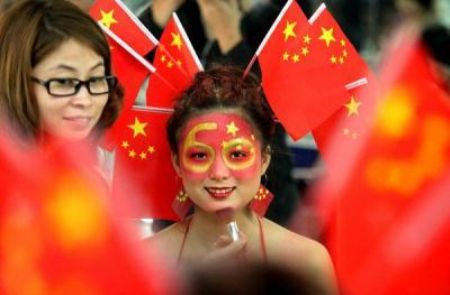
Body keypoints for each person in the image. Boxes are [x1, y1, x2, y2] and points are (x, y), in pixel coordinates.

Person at [146, 66, 336, 294]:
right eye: (199, 155)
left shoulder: (306, 261)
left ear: (264, 159)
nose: (218, 172)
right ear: (177, 162)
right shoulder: (144, 261)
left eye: (237, 154)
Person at [140, 0, 305, 227]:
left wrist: (230, 36)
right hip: (182, 198)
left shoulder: (269, 20)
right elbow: (124, 65)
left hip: (264, 198)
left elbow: (268, 107)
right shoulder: (180, 17)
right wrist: (160, 11)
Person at [0, 0, 122, 145]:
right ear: (16, 82)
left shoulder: (98, 159)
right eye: (64, 82)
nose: (85, 101)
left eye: (95, 80)